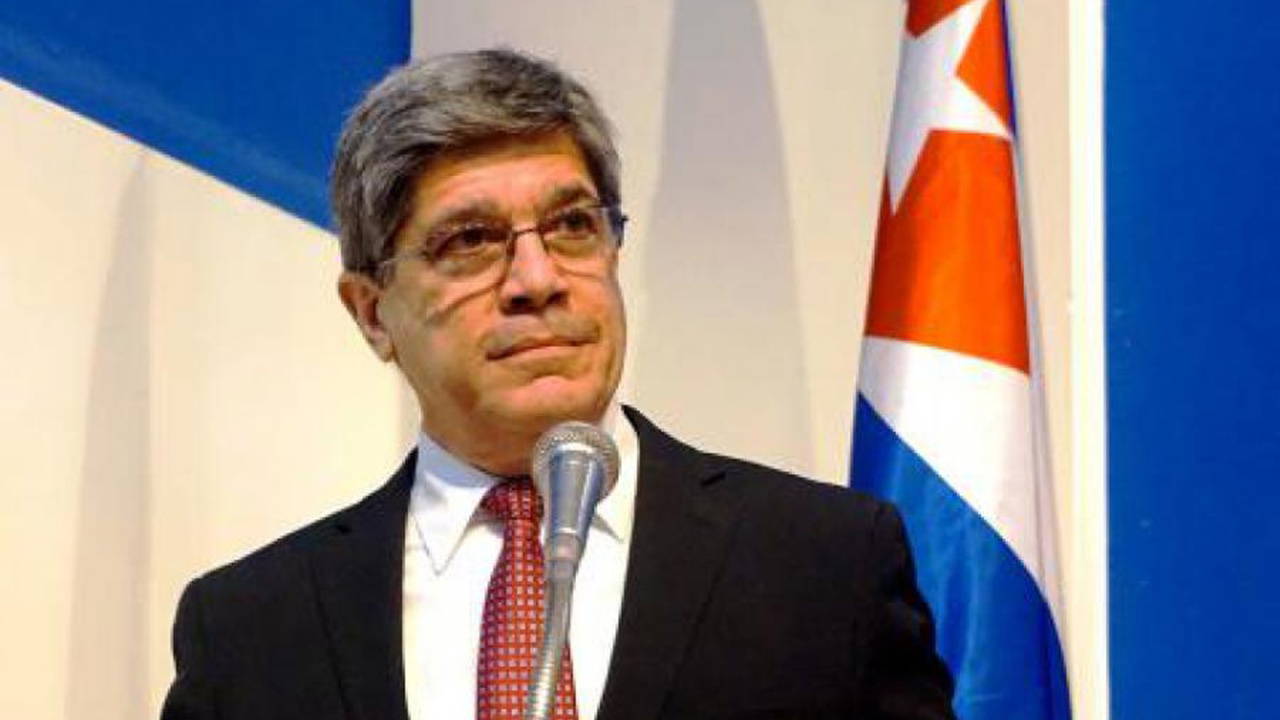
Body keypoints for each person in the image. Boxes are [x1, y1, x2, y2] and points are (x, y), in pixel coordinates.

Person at [161, 48, 954, 720]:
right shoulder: (248, 629)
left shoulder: (826, 566)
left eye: (573, 225)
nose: (537, 280)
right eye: (471, 240)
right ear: (373, 313)